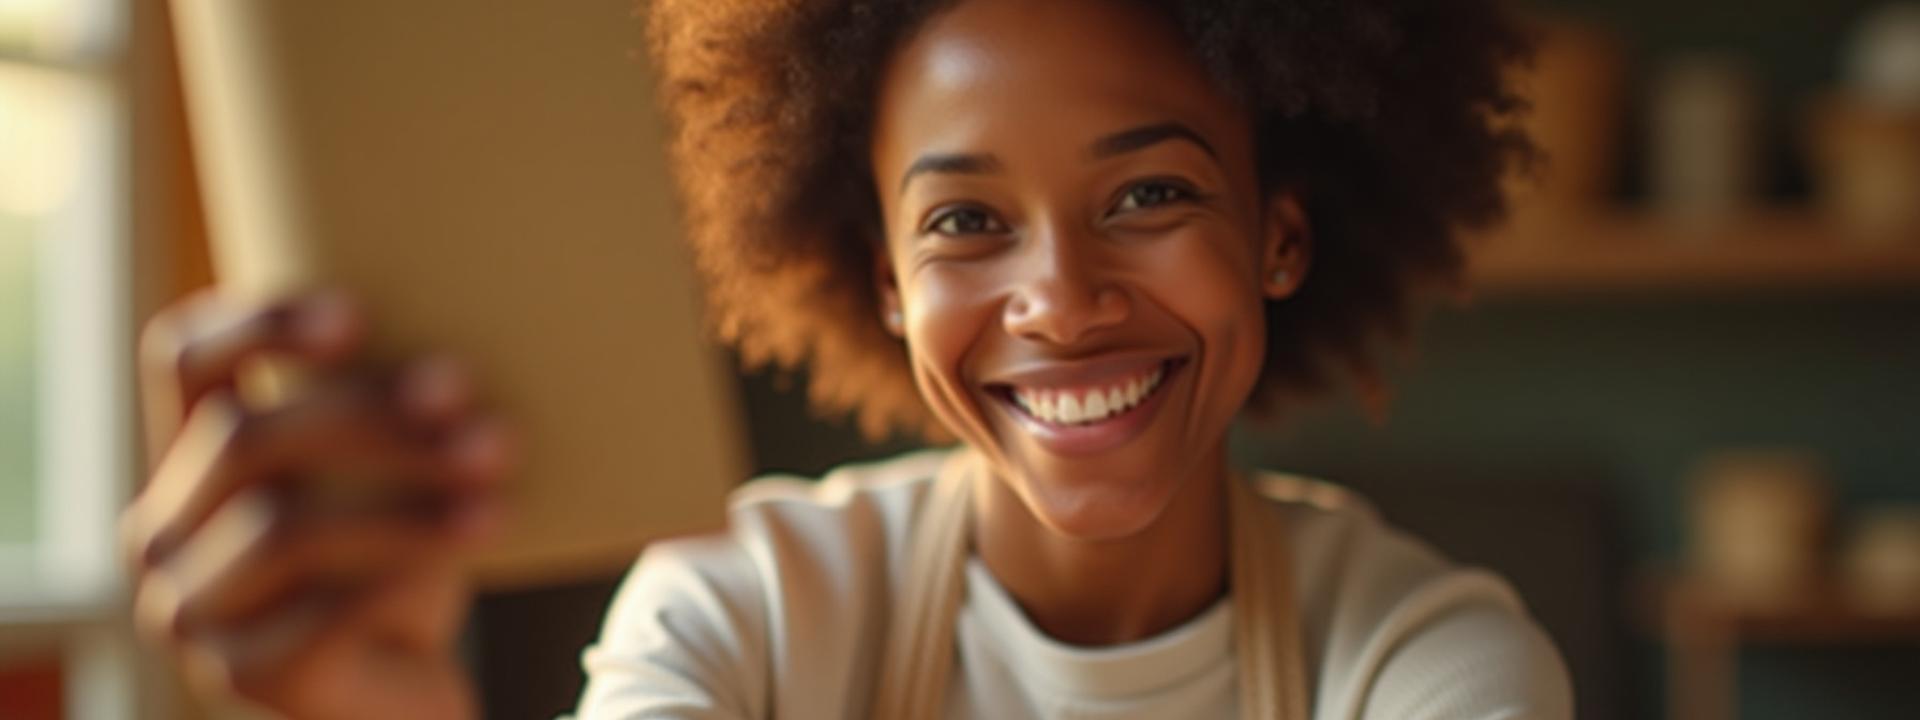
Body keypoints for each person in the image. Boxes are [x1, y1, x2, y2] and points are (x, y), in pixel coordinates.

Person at [124, 0, 1574, 717]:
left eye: (1149, 195)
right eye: (967, 222)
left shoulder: (1425, 664)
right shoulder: (736, 615)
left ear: (1281, 238)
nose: (1059, 301)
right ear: (884, 281)